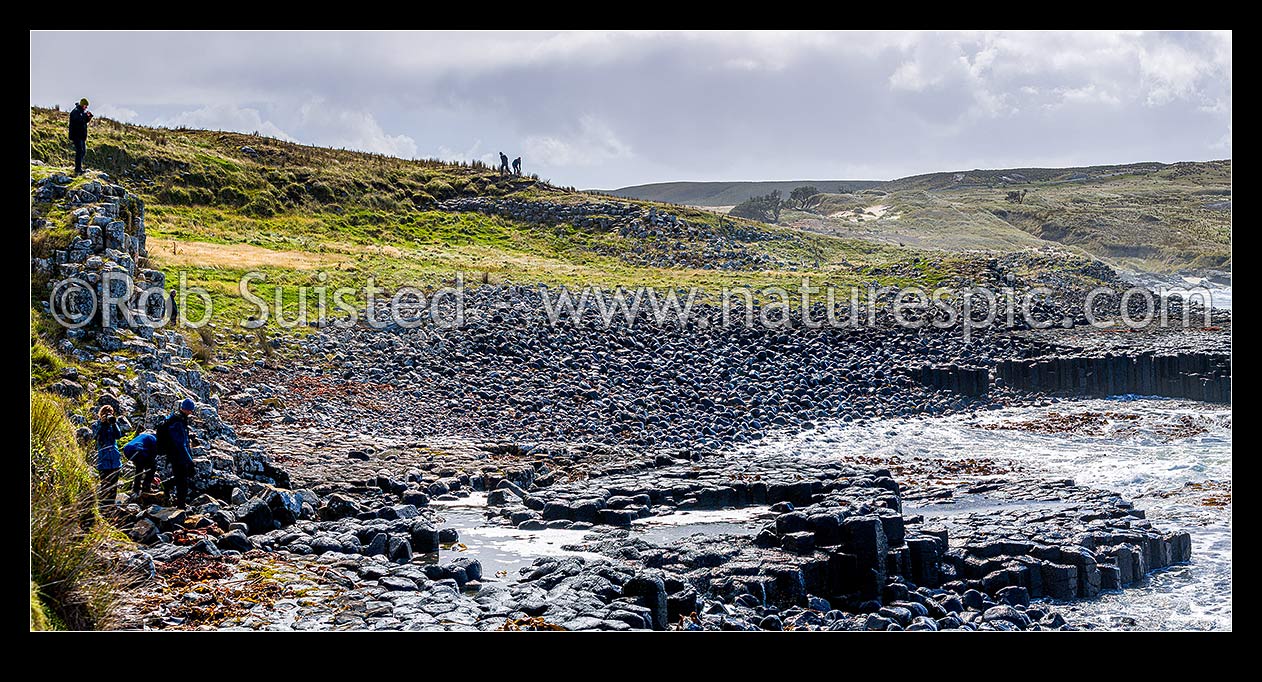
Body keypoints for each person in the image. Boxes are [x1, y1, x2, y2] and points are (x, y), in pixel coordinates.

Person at [156, 398, 197, 508]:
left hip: (174, 454)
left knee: (181, 477)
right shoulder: (178, 422)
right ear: (187, 410)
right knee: (182, 481)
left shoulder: (175, 418)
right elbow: (180, 443)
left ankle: (168, 485)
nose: (191, 412)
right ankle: (181, 505)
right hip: (178, 455)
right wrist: (189, 461)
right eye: (191, 410)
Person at [91, 405, 123, 512]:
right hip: (104, 460)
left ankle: (111, 508)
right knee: (105, 485)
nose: (109, 415)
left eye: (110, 413)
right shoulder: (96, 425)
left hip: (114, 460)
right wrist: (102, 424)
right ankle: (104, 509)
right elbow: (96, 437)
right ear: (101, 414)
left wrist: (113, 424)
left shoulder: (113, 424)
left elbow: (118, 435)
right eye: (106, 413)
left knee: (114, 486)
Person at [122, 430, 160, 497]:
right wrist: (151, 474)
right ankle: (145, 488)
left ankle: (136, 488)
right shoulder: (154, 439)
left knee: (139, 468)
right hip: (138, 449)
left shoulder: (143, 436)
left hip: (127, 449)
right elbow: (152, 458)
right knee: (152, 467)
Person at [68, 98, 93, 175]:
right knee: (80, 151)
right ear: (82, 105)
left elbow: (83, 121)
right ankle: (77, 169)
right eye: (85, 106)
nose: (86, 108)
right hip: (76, 135)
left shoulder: (81, 112)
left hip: (81, 136)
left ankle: (79, 168)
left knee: (83, 151)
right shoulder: (75, 112)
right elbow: (78, 121)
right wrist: (85, 116)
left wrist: (88, 117)